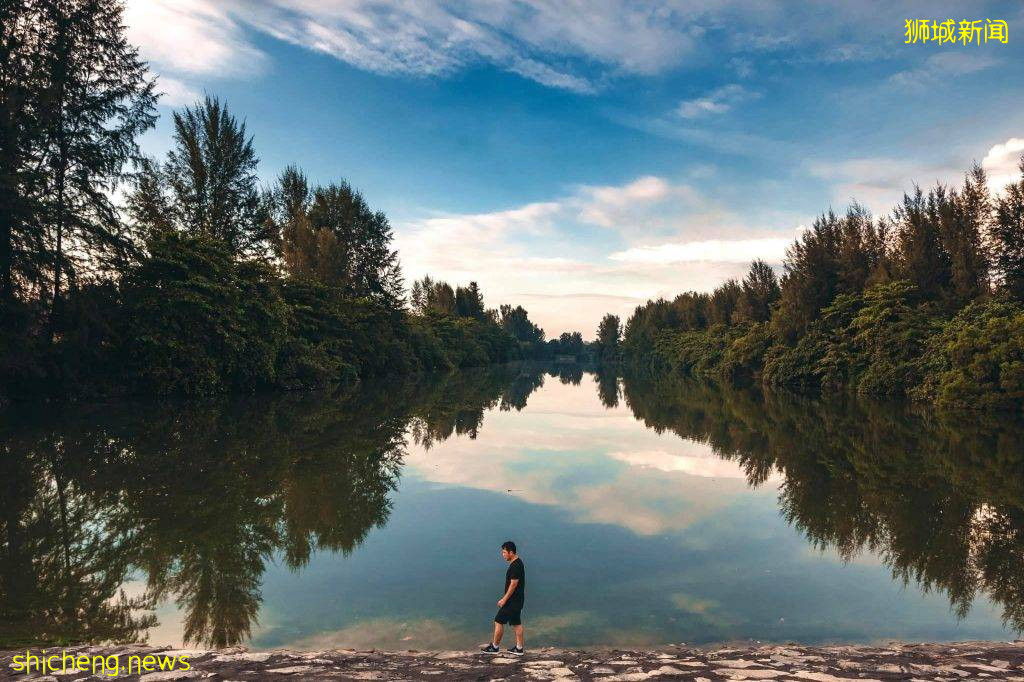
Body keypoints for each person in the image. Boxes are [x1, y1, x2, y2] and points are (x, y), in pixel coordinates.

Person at [480, 540, 525, 656]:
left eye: (504, 552)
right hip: (518, 600)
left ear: (511, 552)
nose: (503, 555)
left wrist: (504, 599)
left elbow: (513, 584)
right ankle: (519, 648)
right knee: (516, 622)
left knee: (498, 620)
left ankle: (495, 647)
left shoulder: (515, 566)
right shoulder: (518, 563)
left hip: (512, 601)